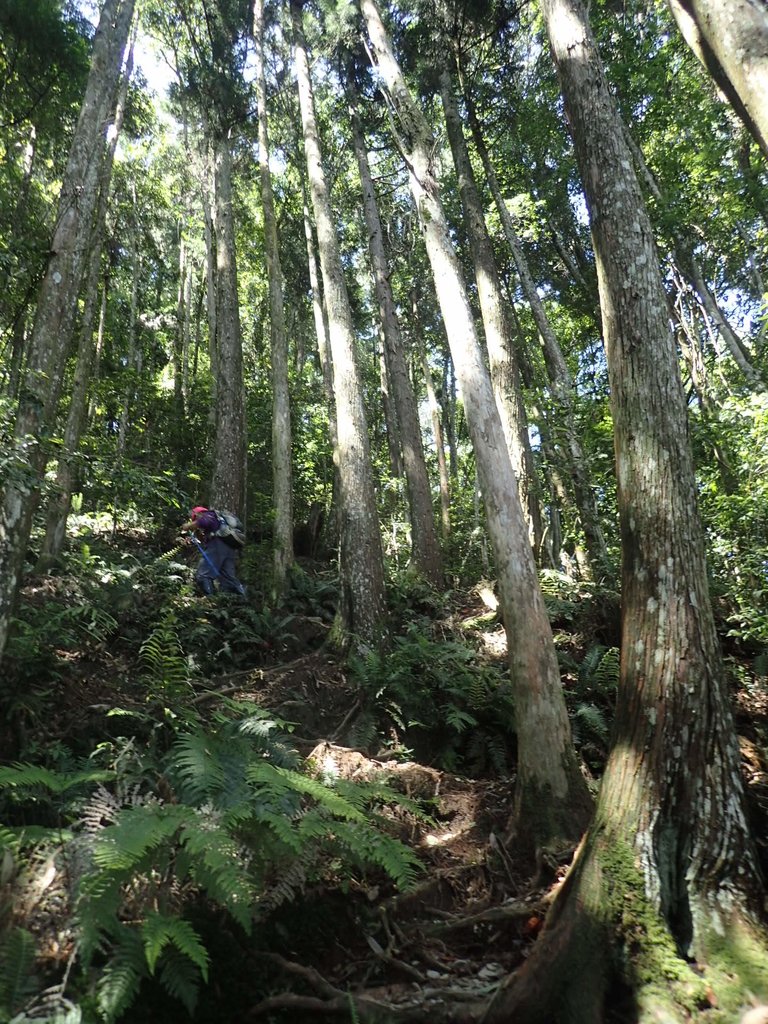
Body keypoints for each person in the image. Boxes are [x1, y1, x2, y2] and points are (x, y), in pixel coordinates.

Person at [180, 505, 246, 597]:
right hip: (229, 548)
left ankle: (210, 601)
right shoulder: (219, 520)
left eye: (195, 518)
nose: (195, 520)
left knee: (203, 575)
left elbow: (203, 521)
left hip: (218, 546)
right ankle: (240, 602)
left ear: (199, 513)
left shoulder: (208, 515)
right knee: (228, 578)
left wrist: (187, 526)